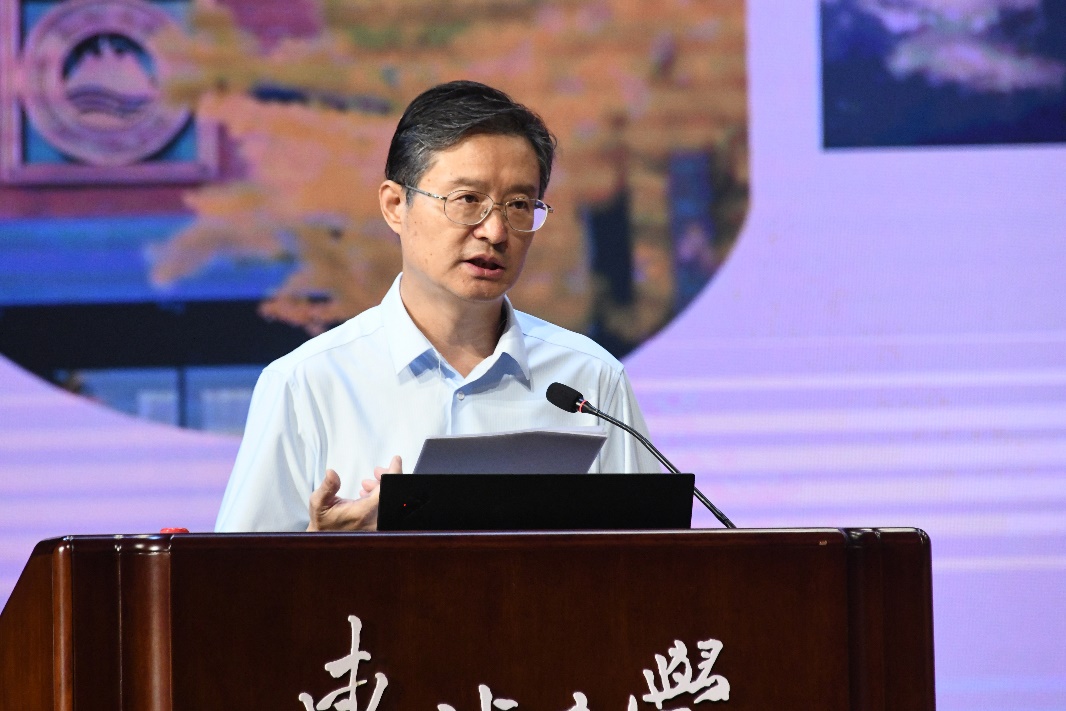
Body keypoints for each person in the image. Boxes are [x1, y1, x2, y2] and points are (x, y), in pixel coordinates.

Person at [215, 80, 660, 532]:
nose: (495, 232)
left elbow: (653, 560)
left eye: (519, 204)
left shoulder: (591, 380)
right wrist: (326, 550)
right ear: (395, 205)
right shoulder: (306, 384)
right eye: (467, 200)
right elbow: (233, 573)